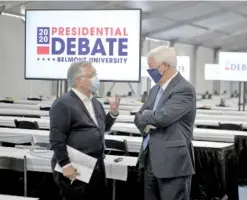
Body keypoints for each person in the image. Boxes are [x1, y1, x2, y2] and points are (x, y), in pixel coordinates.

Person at [49, 61, 120, 200]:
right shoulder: (63, 104)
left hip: (96, 166)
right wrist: (65, 165)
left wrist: (113, 113)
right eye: (92, 75)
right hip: (76, 166)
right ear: (79, 80)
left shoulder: (95, 102)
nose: (96, 78)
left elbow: (101, 128)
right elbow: (56, 139)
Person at [134, 46, 196, 200]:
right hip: (150, 160)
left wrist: (147, 116)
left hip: (172, 163)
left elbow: (162, 117)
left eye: (152, 66)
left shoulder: (184, 88)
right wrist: (148, 118)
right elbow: (137, 117)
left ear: (165, 66)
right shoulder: (155, 90)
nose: (149, 70)